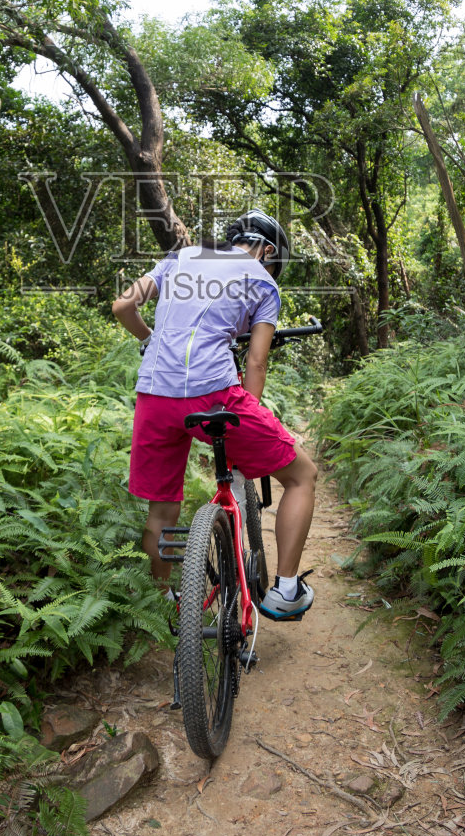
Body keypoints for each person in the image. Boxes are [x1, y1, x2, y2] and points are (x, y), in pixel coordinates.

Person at [112, 211, 317, 620]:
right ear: (268, 251)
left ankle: (162, 603)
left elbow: (123, 306)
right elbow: (256, 363)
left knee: (161, 509)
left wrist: (151, 340)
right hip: (212, 394)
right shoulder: (262, 280)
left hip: (153, 394)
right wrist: (249, 419)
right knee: (302, 476)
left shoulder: (180, 257)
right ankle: (287, 590)